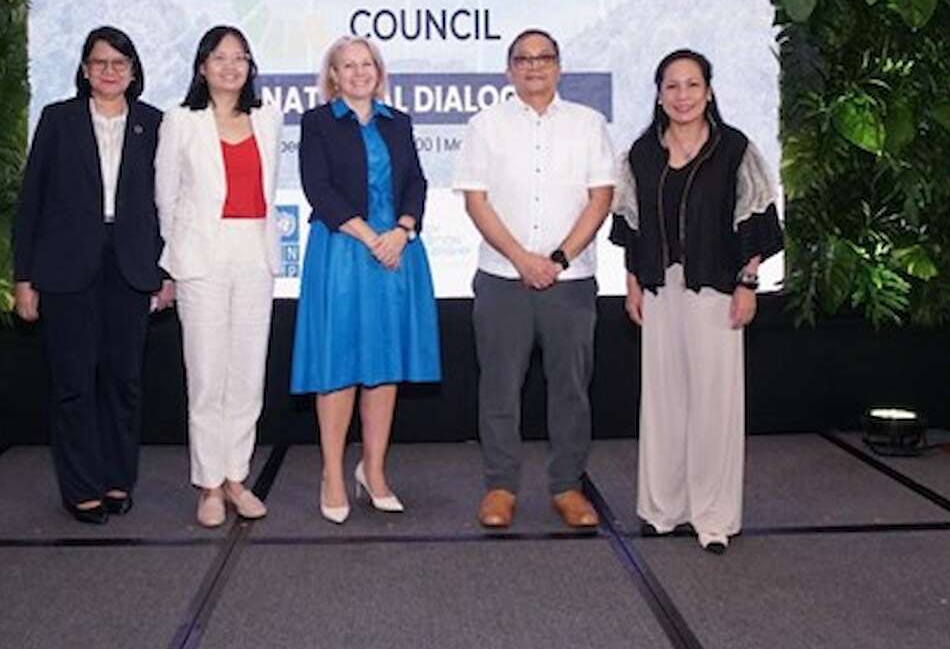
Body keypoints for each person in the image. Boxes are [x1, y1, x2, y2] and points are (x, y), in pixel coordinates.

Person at [610, 49, 783, 553]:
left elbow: (756, 220)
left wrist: (748, 284)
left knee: (714, 404)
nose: (681, 96)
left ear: (708, 91)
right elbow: (631, 226)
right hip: (658, 290)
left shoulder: (735, 149)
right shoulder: (642, 153)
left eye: (691, 85)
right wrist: (632, 284)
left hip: (717, 290)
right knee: (663, 401)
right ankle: (663, 510)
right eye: (671, 86)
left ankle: (713, 516)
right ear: (659, 94)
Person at [453, 28, 616, 530]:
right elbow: (476, 200)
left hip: (572, 281)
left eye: (544, 57)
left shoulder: (589, 124)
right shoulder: (485, 125)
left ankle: (567, 486)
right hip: (503, 278)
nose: (534, 66)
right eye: (523, 59)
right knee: (499, 388)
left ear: (558, 67)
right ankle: (500, 487)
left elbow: (601, 197)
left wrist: (559, 259)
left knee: (571, 388)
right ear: (509, 70)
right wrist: (522, 259)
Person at [13, 26, 171, 525]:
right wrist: (24, 278)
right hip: (65, 268)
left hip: (131, 266)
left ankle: (118, 479)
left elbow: (170, 206)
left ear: (133, 72)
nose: (109, 71)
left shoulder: (155, 124)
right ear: (84, 70)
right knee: (74, 383)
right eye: (99, 63)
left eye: (119, 63)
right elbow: (31, 202)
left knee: (123, 381)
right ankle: (82, 487)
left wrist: (167, 271)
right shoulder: (57, 120)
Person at [291, 36, 441, 523]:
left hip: (396, 252)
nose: (359, 73)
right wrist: (371, 236)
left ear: (378, 71)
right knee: (338, 362)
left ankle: (373, 471)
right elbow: (319, 188)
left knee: (384, 362)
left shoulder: (399, 122)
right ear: (333, 75)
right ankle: (333, 474)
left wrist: (402, 230)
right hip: (342, 250)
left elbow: (415, 182)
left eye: (366, 64)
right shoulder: (316, 122)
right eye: (348, 65)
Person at [156, 25, 283, 528]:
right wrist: (174, 258)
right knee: (208, 375)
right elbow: (166, 196)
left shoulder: (268, 117)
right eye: (220, 57)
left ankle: (237, 476)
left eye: (240, 58)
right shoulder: (181, 120)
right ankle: (209, 483)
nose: (231, 67)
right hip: (201, 257)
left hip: (254, 251)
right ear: (202, 66)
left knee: (247, 375)